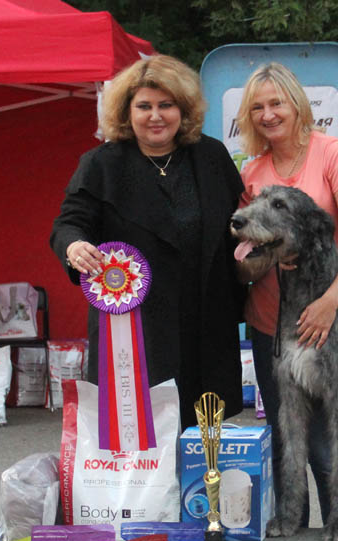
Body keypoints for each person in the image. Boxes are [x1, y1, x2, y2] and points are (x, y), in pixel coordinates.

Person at [49, 54, 245, 426]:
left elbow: (239, 223)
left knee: (204, 429)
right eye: (144, 106)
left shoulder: (212, 156)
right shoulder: (100, 164)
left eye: (166, 105)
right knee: (141, 430)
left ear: (183, 110)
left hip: (206, 317)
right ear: (126, 112)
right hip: (137, 328)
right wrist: (74, 247)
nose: (156, 116)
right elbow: (67, 224)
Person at [235, 62, 338, 529]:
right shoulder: (252, 170)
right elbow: (251, 256)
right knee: (284, 435)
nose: (268, 114)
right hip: (272, 322)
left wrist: (332, 301)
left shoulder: (334, 154)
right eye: (257, 107)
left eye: (276, 103)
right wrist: (248, 262)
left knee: (325, 440)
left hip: (330, 317)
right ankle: (292, 529)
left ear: (297, 104)